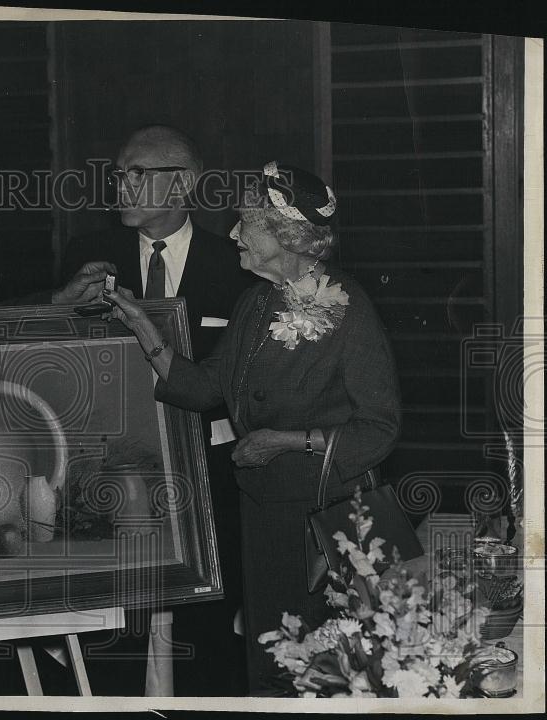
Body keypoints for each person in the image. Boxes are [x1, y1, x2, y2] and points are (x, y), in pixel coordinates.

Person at [103, 162, 401, 693]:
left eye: (247, 222)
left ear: (286, 233)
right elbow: (204, 387)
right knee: (271, 654)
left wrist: (286, 441)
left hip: (324, 523)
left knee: (324, 662)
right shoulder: (256, 301)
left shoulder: (351, 311)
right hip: (262, 516)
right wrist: (143, 329)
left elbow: (378, 430)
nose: (234, 233)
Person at [45, 125, 254, 696]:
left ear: (184, 182)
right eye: (119, 174)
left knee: (206, 631)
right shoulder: (90, 256)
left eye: (140, 173)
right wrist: (64, 307)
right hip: (116, 471)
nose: (123, 186)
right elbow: (48, 357)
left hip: (208, 475)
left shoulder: (236, 263)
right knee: (116, 627)